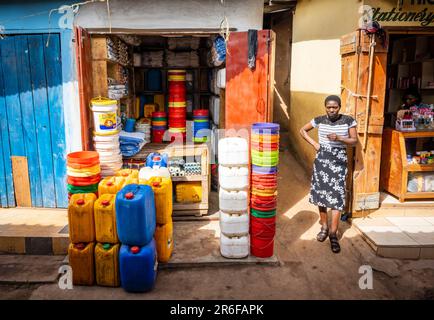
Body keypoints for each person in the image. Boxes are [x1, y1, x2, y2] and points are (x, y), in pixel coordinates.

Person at [299, 95, 357, 253]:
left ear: (339, 107)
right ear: (325, 107)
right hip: (322, 160)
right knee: (321, 195)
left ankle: (333, 233)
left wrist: (339, 138)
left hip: (339, 161)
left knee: (337, 197)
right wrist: (314, 144)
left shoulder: (348, 120)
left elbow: (354, 141)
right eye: (329, 107)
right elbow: (302, 130)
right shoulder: (319, 120)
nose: (332, 110)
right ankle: (324, 227)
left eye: (335, 107)